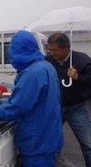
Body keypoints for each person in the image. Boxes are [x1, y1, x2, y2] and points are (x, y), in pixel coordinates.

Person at [0, 30, 63, 167]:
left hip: (37, 140)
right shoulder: (46, 66)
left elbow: (19, 106)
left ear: (18, 51)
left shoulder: (32, 73)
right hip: (49, 134)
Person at [46, 32, 91, 167]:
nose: (52, 53)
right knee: (50, 139)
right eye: (50, 50)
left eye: (56, 50)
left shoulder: (81, 59)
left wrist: (78, 77)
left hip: (77, 108)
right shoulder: (47, 61)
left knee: (87, 143)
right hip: (55, 107)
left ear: (66, 48)